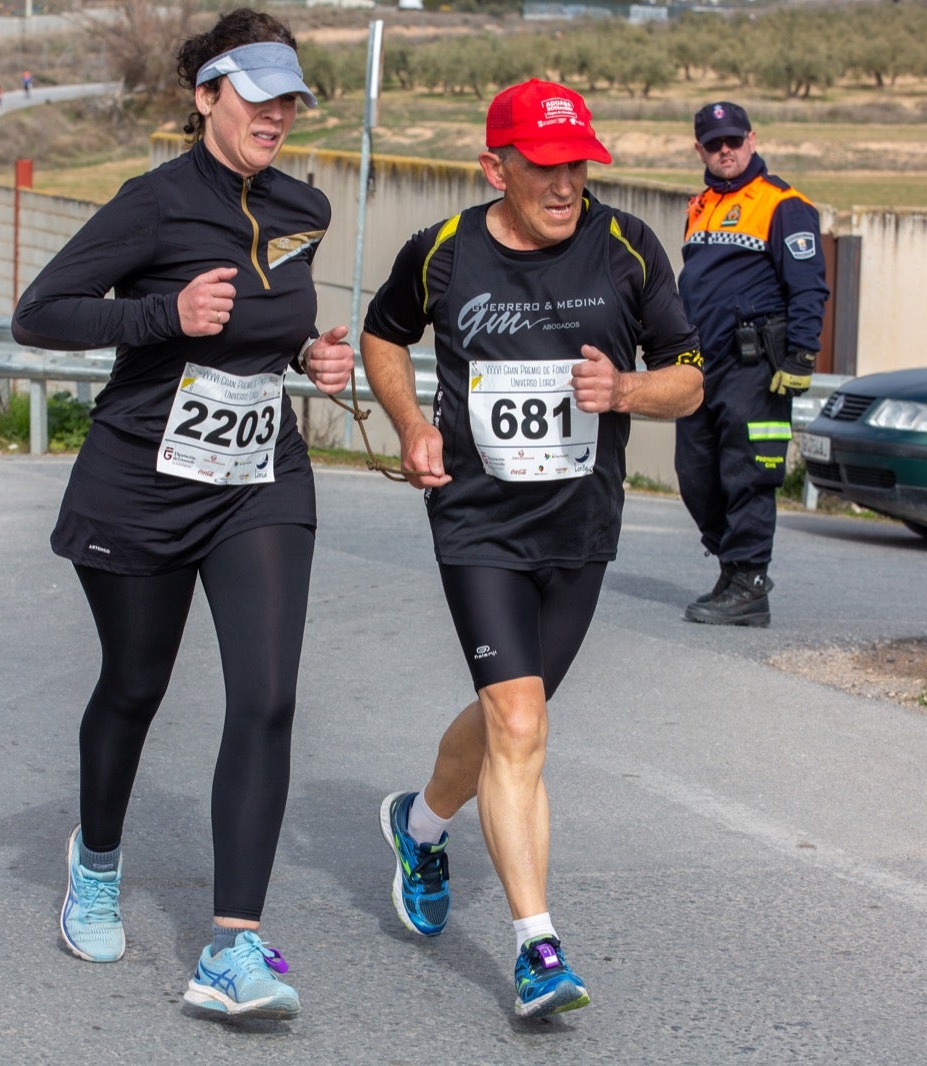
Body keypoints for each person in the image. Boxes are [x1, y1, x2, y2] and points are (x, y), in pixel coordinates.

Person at [11, 8, 353, 1022]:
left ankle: (233, 947)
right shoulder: (150, 206)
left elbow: (272, 323)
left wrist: (309, 358)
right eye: (256, 94)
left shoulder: (302, 207)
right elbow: (40, 313)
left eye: (289, 96)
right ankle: (99, 864)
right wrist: (163, 315)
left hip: (260, 479)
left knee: (267, 696)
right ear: (206, 95)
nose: (276, 114)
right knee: (134, 684)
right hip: (143, 482)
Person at [360, 78, 704, 1019]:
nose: (566, 185)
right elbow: (382, 337)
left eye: (579, 164)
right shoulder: (440, 251)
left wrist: (627, 393)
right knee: (519, 726)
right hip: (477, 522)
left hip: (580, 526)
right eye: (546, 167)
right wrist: (408, 426)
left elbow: (690, 379)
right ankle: (537, 949)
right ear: (495, 166)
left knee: (520, 713)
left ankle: (420, 823)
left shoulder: (629, 244)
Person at [674, 101, 829, 627]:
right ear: (699, 149)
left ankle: (748, 580)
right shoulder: (699, 207)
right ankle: (734, 566)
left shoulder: (783, 205)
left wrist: (802, 354)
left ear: (752, 139)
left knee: (748, 475)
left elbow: (809, 287)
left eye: (734, 141)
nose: (726, 151)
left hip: (755, 368)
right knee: (695, 476)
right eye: (714, 144)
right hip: (701, 364)